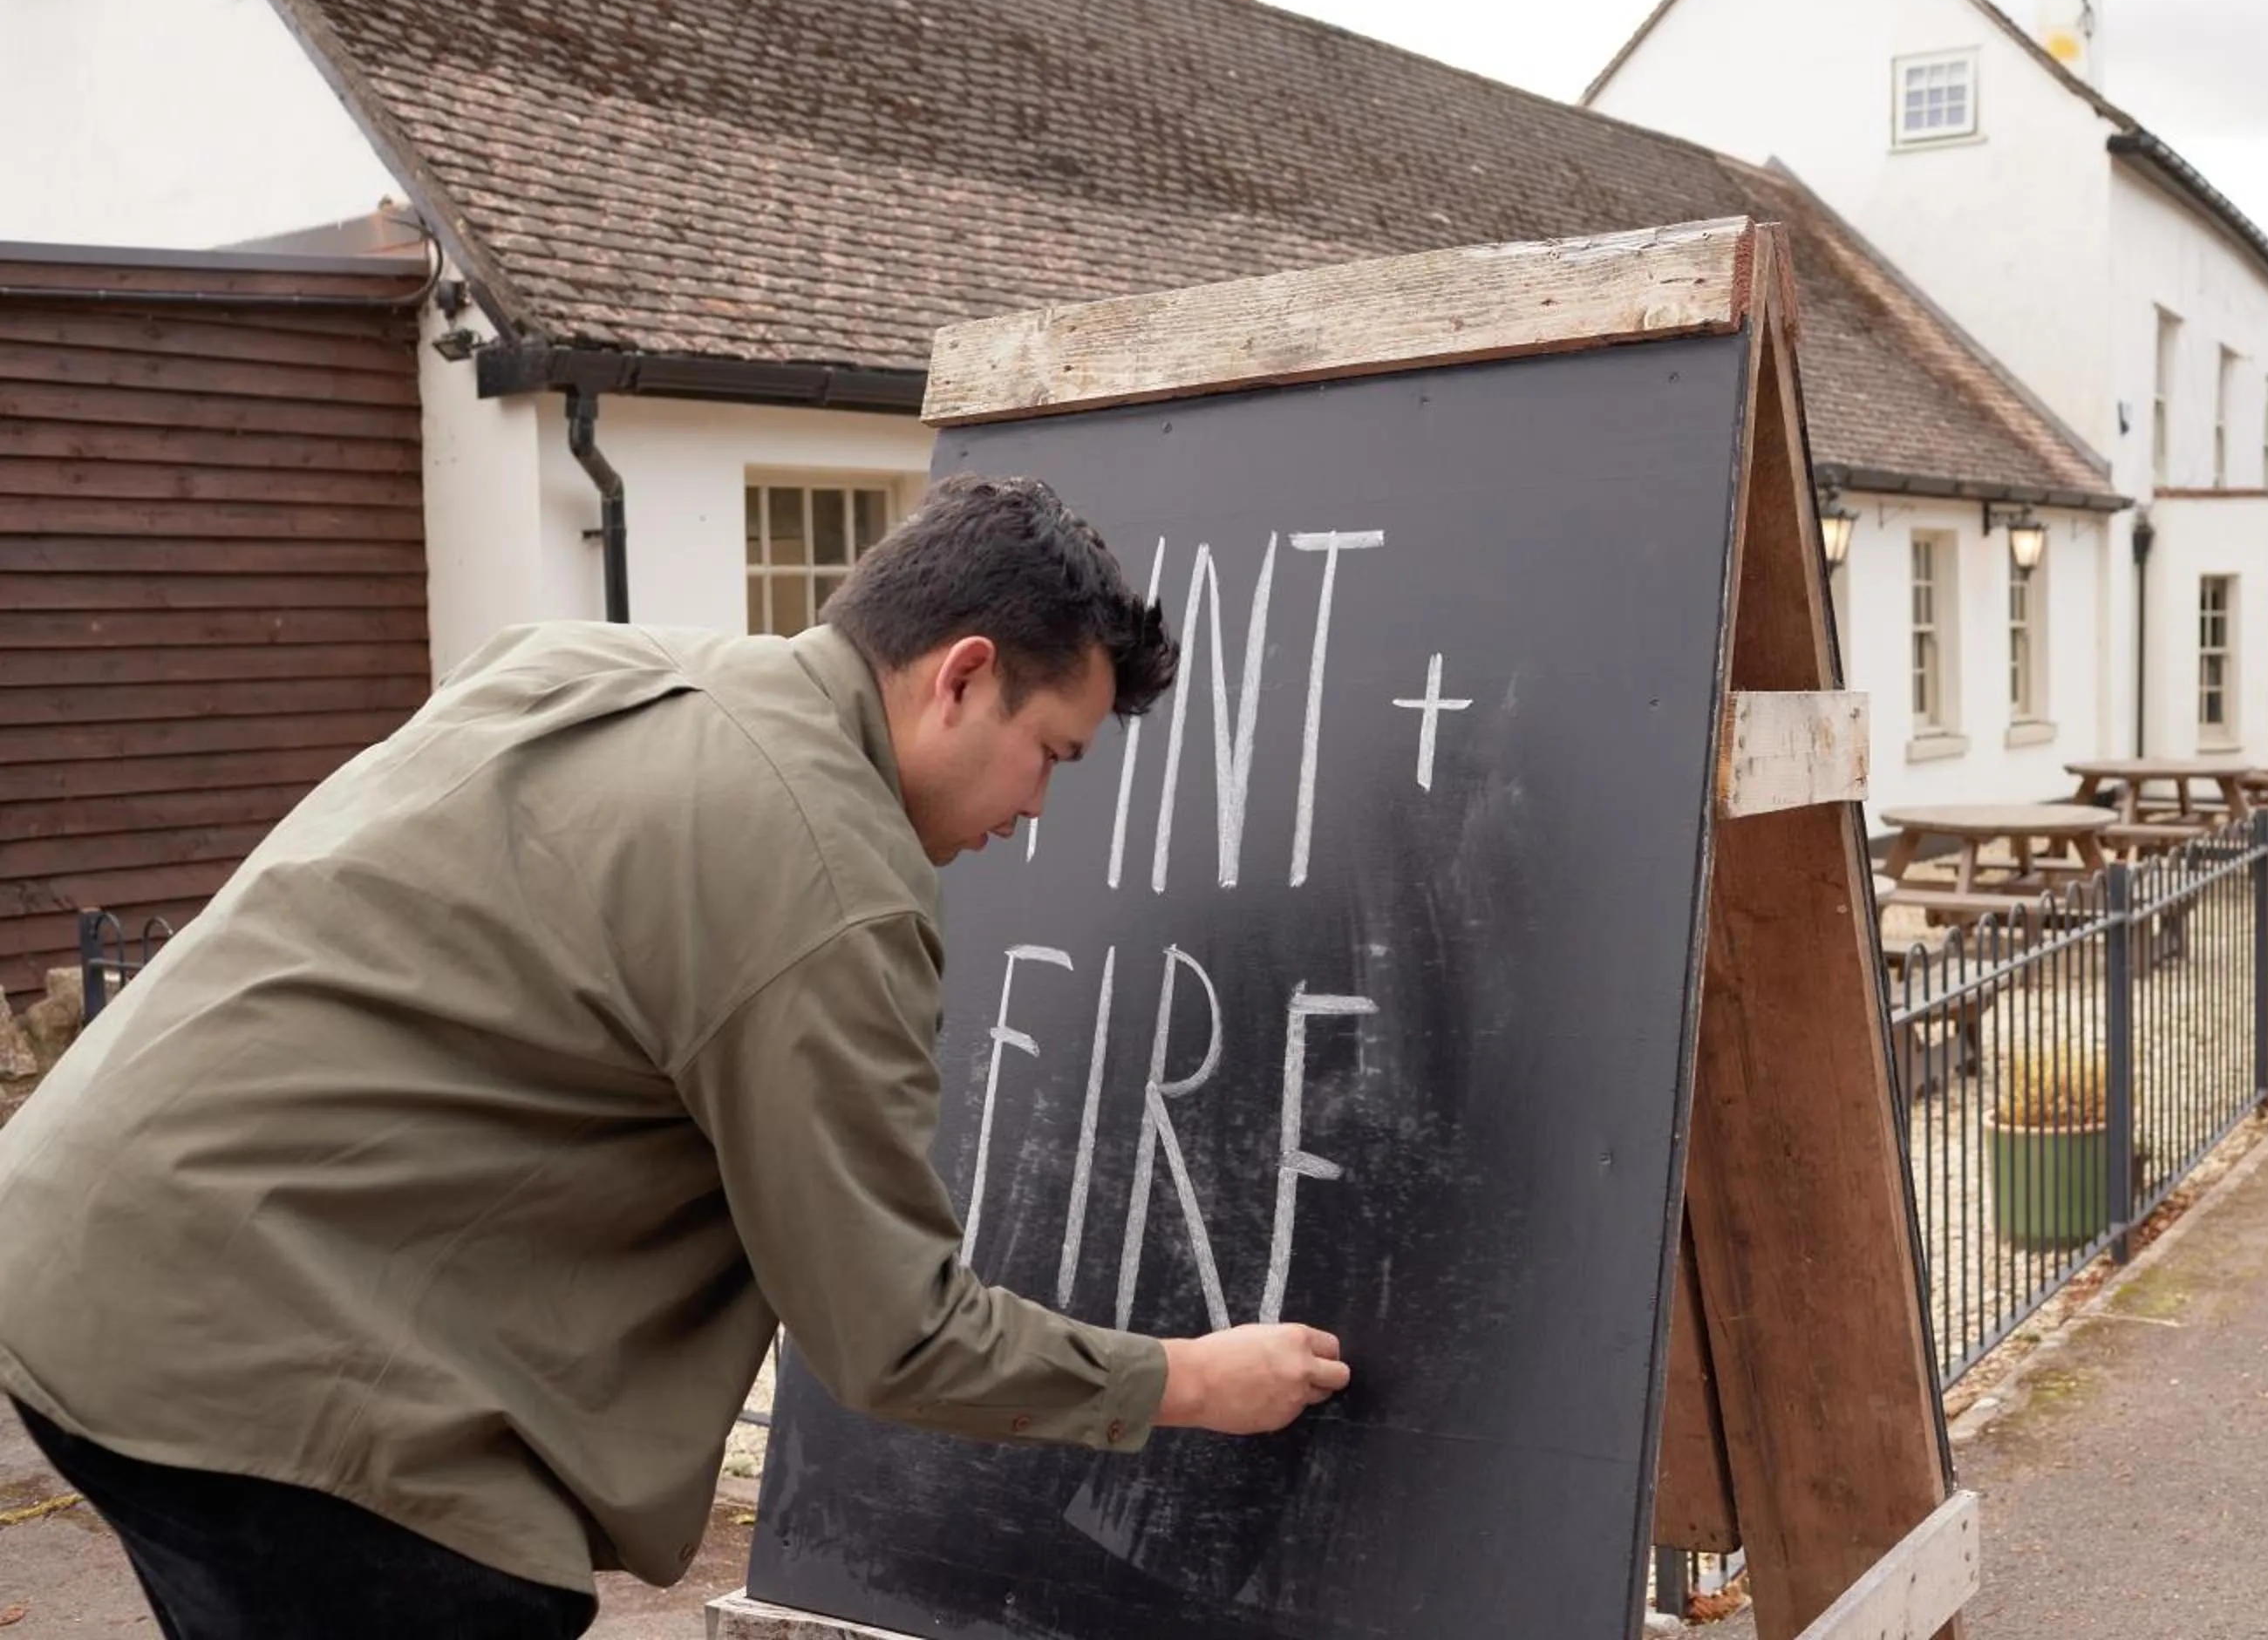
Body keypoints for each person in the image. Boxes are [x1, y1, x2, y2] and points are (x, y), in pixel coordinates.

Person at [0, 474, 1350, 1637]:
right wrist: (1187, 1382)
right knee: (471, 1579)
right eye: (1049, 754)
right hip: (267, 1380)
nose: (1040, 807)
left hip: (70, 1260)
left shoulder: (584, 662)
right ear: (963, 675)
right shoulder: (832, 880)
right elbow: (895, 1336)